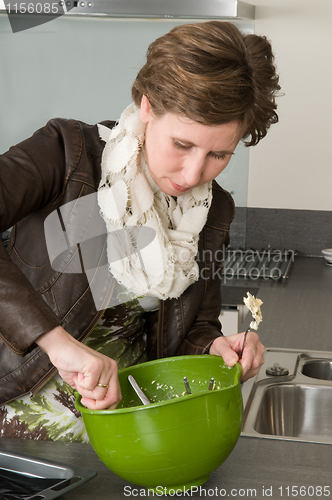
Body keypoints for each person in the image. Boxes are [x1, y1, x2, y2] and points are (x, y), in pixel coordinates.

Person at [0, 21, 279, 441]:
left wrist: (215, 349)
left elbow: (193, 326)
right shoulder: (67, 154)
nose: (194, 173)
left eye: (219, 154)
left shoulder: (212, 209)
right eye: (182, 145)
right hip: (16, 426)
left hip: (127, 432)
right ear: (147, 107)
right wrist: (57, 343)